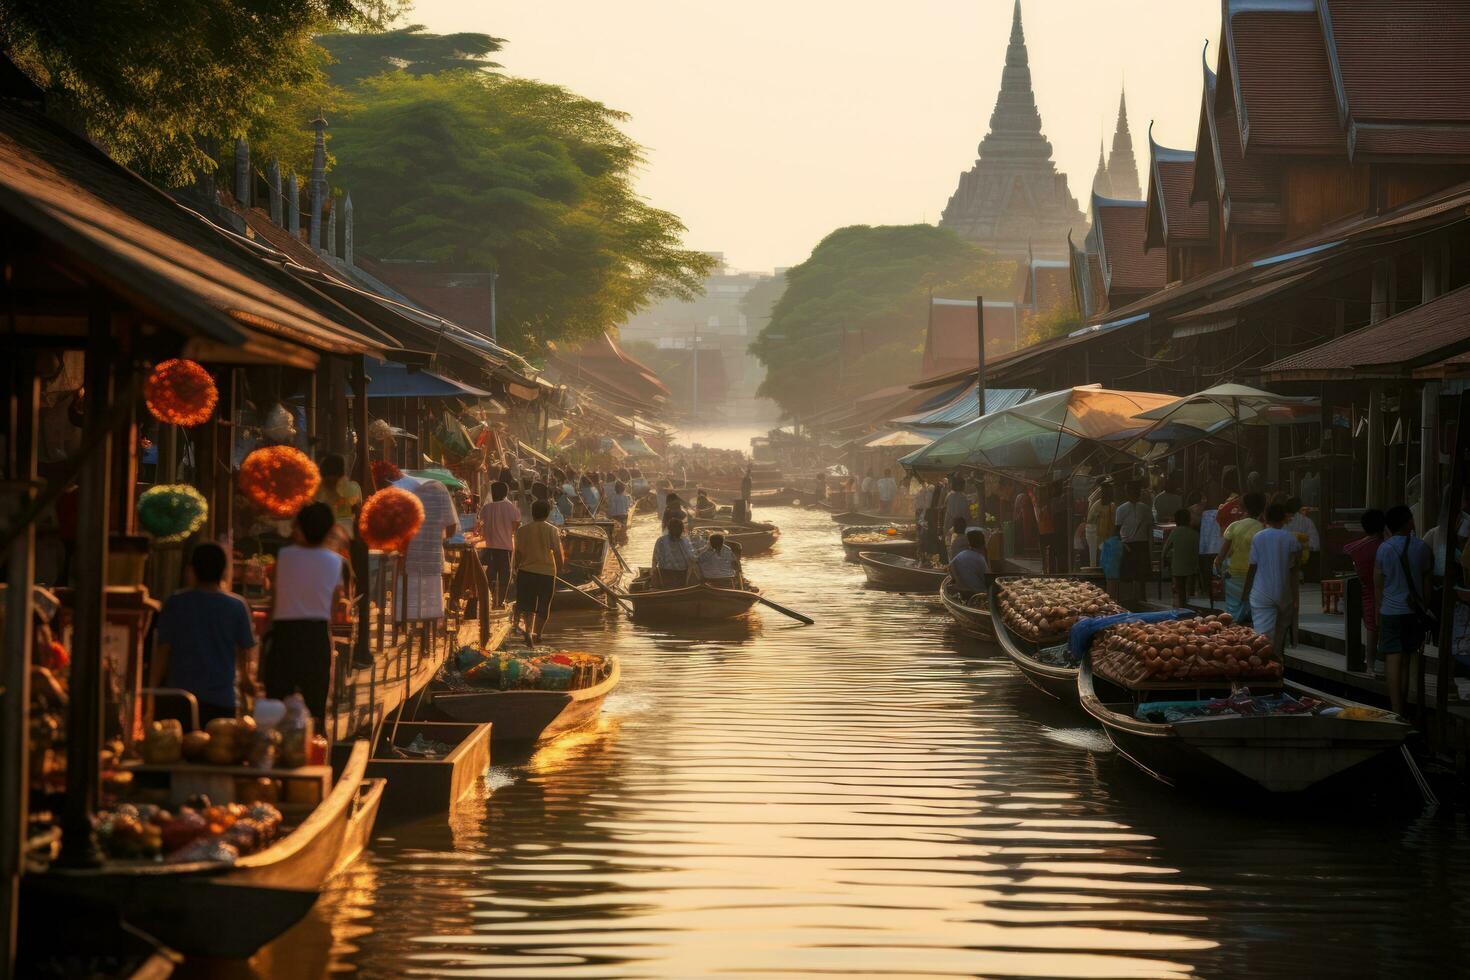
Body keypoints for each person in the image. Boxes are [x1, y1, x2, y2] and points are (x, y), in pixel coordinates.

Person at [151, 542, 260, 727]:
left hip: (179, 700)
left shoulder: (176, 603)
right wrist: (248, 685)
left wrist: (149, 694)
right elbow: (244, 656)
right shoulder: (236, 606)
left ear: (192, 570)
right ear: (224, 571)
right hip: (222, 702)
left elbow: (163, 652)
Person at [266, 503, 345, 727]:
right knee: (315, 703)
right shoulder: (335, 560)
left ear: (299, 528)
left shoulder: (285, 556)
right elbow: (336, 603)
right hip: (316, 633)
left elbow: (274, 596)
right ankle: (316, 746)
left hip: (284, 634)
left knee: (278, 699)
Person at [1375, 504, 1432, 716]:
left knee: (1393, 657)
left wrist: (1379, 608)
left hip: (1390, 610)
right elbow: (1426, 584)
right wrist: (1424, 607)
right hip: (1412, 611)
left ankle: (1395, 708)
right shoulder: (1422, 547)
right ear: (1409, 522)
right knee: (1407, 657)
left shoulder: (1384, 548)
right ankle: (1405, 706)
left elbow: (1378, 583)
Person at [393, 473, 459, 622]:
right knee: (431, 602)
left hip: (408, 558)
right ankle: (428, 633)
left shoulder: (404, 490)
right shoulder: (440, 490)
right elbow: (452, 527)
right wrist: (436, 535)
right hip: (432, 557)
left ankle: (407, 629)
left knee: (407, 601)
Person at [1242, 503, 1302, 655]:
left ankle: (1267, 669)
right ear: (1284, 518)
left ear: (1265, 517)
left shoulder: (1258, 537)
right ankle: (1278, 665)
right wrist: (1296, 598)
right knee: (1280, 634)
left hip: (1261, 592)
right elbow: (1295, 571)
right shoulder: (1292, 540)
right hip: (1284, 593)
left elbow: (1253, 567)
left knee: (1263, 637)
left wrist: (1245, 592)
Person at [513, 499, 564, 644]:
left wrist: (516, 568)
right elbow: (557, 553)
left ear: (532, 513)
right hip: (546, 572)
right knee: (543, 605)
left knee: (527, 605)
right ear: (547, 514)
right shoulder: (552, 530)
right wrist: (560, 569)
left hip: (526, 571)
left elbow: (518, 553)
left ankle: (529, 631)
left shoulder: (522, 530)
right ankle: (538, 634)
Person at [1215, 491, 1266, 623]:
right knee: (1254, 611)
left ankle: (1233, 638)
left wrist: (1218, 569)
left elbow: (1221, 556)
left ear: (1243, 508)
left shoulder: (1234, 526)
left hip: (1234, 577)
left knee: (1232, 613)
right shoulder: (1263, 529)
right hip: (1256, 576)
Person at [477, 481, 520, 609]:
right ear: (506, 493)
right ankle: (499, 602)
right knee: (504, 576)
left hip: (489, 547)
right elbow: (516, 525)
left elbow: (480, 525)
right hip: (505, 547)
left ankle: (490, 599)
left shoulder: (486, 508)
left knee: (489, 575)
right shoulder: (511, 507)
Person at [1116, 482, 1154, 601]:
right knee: (1127, 575)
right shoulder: (1121, 509)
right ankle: (1128, 599)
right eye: (1131, 491)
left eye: (1135, 491)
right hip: (1128, 544)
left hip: (1142, 543)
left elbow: (1150, 527)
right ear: (1127, 493)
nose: (1134, 493)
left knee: (1141, 574)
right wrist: (1121, 544)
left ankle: (1141, 598)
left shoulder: (1145, 508)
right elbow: (1117, 529)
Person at [1161, 507, 1200, 610]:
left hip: (1177, 567)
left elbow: (1166, 548)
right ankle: (1189, 608)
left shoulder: (1175, 532)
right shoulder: (1195, 534)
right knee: (1189, 590)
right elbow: (1198, 551)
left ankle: (1181, 608)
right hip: (1192, 567)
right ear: (1188, 520)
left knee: (1179, 590)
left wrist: (1163, 559)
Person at [314, 453, 362, 535]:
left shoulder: (314, 490)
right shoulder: (353, 488)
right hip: (347, 535)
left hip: (321, 535)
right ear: (342, 470)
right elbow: (358, 511)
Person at [652, 517, 698, 587]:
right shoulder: (684, 541)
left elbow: (655, 559)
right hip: (673, 572)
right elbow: (692, 558)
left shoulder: (661, 540)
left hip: (672, 572)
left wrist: (654, 571)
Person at [949, 528, 991, 599]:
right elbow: (988, 580)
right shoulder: (980, 559)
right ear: (983, 543)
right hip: (977, 595)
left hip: (961, 592)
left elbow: (951, 571)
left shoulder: (960, 555)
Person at [1198, 497, 1222, 608]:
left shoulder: (1203, 514)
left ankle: (1212, 599)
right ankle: (1214, 599)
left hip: (1206, 549)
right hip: (1217, 548)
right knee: (1216, 576)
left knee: (1209, 576)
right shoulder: (1222, 512)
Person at [1084, 484, 1112, 567]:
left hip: (1102, 531)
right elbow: (1090, 520)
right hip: (1094, 530)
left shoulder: (1109, 504)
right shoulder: (1097, 503)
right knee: (1095, 553)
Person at [1100, 526, 1124, 599]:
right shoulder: (1121, 543)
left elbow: (1102, 557)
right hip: (1118, 568)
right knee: (1116, 587)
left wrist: (1102, 566)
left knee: (1110, 587)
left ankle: (1111, 602)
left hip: (1108, 568)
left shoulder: (1107, 542)